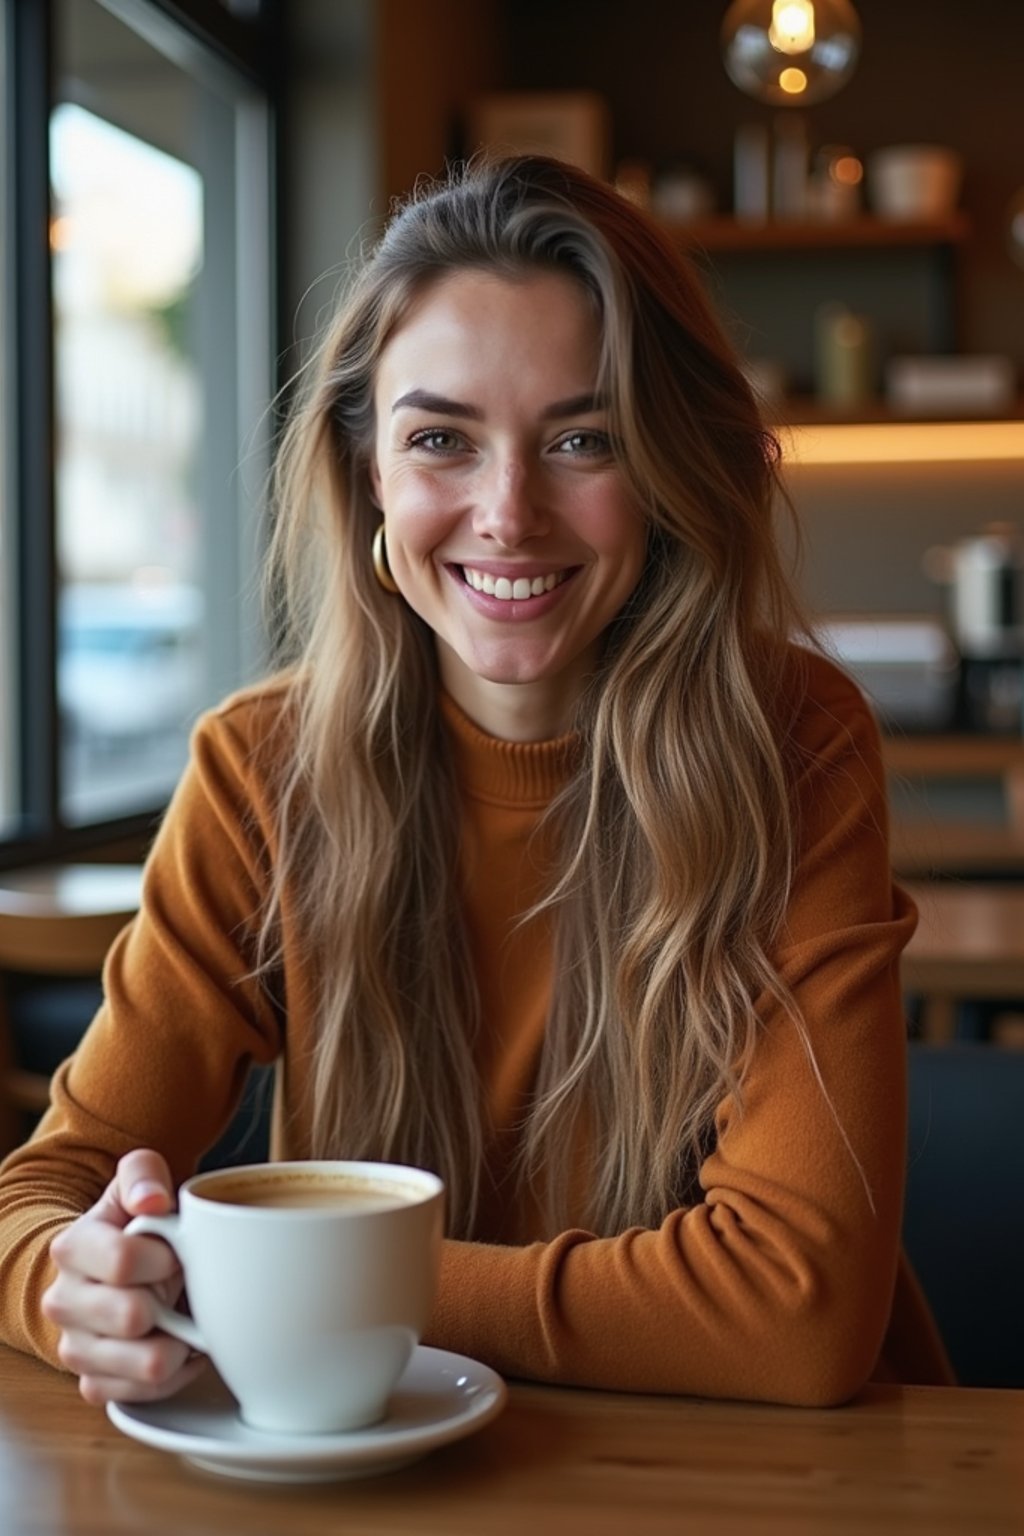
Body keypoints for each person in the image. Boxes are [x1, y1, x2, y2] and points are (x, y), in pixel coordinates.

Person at [0, 154, 951, 1408]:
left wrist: (301, 1282)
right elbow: (43, 1195)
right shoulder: (259, 770)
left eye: (582, 439)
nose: (507, 512)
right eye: (441, 438)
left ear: (666, 473)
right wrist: (70, 1283)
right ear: (368, 472)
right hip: (394, 1465)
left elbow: (797, 1315)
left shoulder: (795, 743)